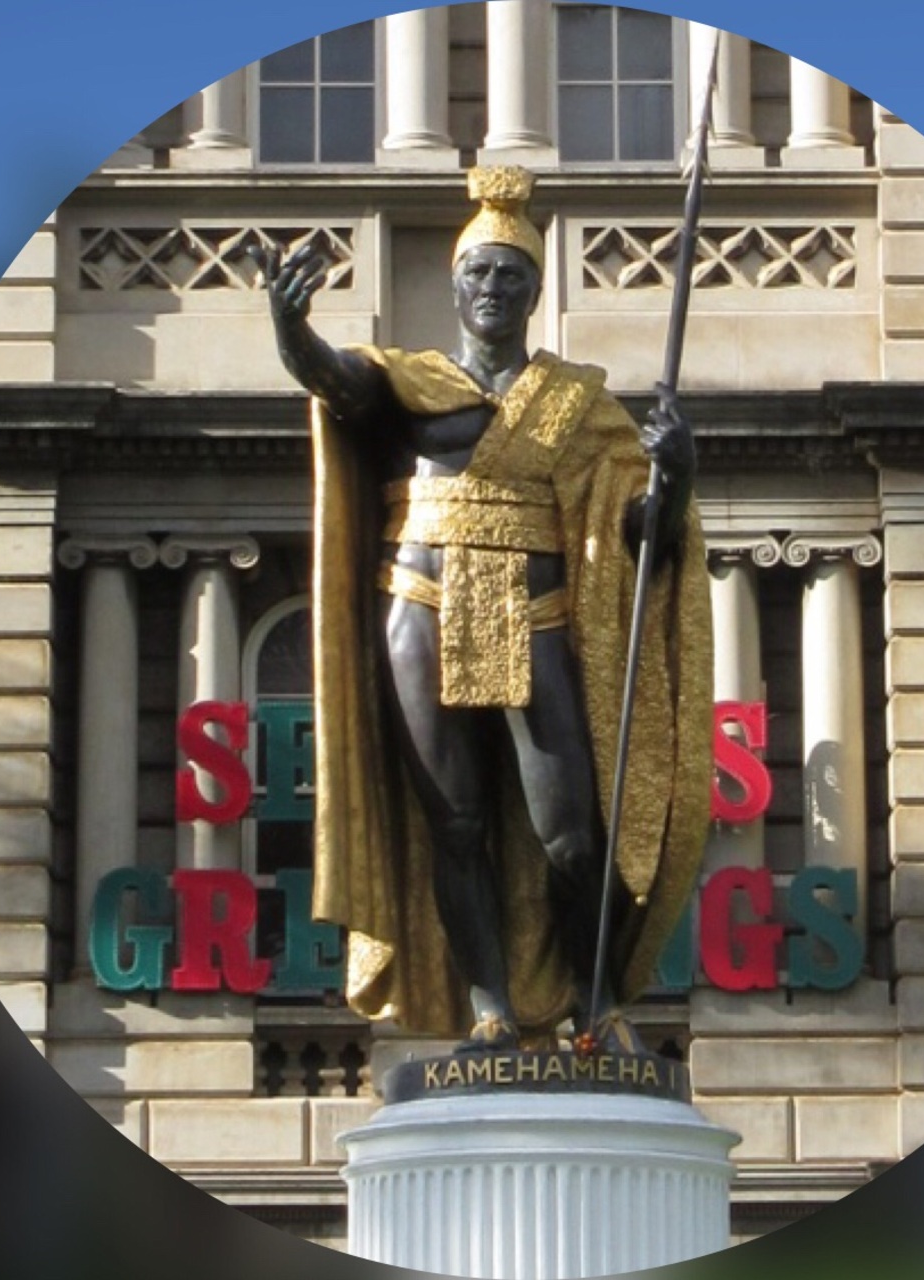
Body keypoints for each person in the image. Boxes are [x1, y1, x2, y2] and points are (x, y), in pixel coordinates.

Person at [253, 166, 712, 1052]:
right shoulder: (408, 383)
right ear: (455, 285)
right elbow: (332, 381)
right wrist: (290, 327)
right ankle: (489, 1005)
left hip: (537, 614)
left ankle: (594, 1000)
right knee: (454, 823)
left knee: (571, 835)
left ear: (535, 292)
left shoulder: (580, 404)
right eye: (479, 272)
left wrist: (677, 475)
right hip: (420, 606)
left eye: (511, 274)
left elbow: (642, 537)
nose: (493, 287)